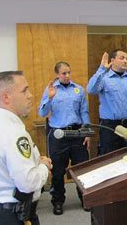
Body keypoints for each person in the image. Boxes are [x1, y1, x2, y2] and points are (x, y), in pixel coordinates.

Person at [0, 71, 52, 224]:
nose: (30, 95)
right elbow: (28, 183)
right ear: (6, 97)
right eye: (24, 90)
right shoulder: (13, 132)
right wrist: (43, 167)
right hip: (13, 215)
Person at [87, 50, 127, 206]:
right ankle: (110, 194)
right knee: (110, 160)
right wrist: (101, 68)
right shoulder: (104, 79)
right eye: (122, 58)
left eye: (126, 58)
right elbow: (91, 89)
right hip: (110, 126)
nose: (125, 61)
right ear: (112, 61)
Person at [38, 62, 90, 215]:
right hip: (58, 134)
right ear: (57, 74)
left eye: (69, 72)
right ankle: (58, 201)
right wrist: (49, 98)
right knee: (58, 171)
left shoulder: (78, 90)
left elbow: (84, 112)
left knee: (82, 169)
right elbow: (42, 113)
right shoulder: (50, 90)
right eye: (63, 73)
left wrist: (87, 132)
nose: (67, 76)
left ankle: (85, 199)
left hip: (76, 133)